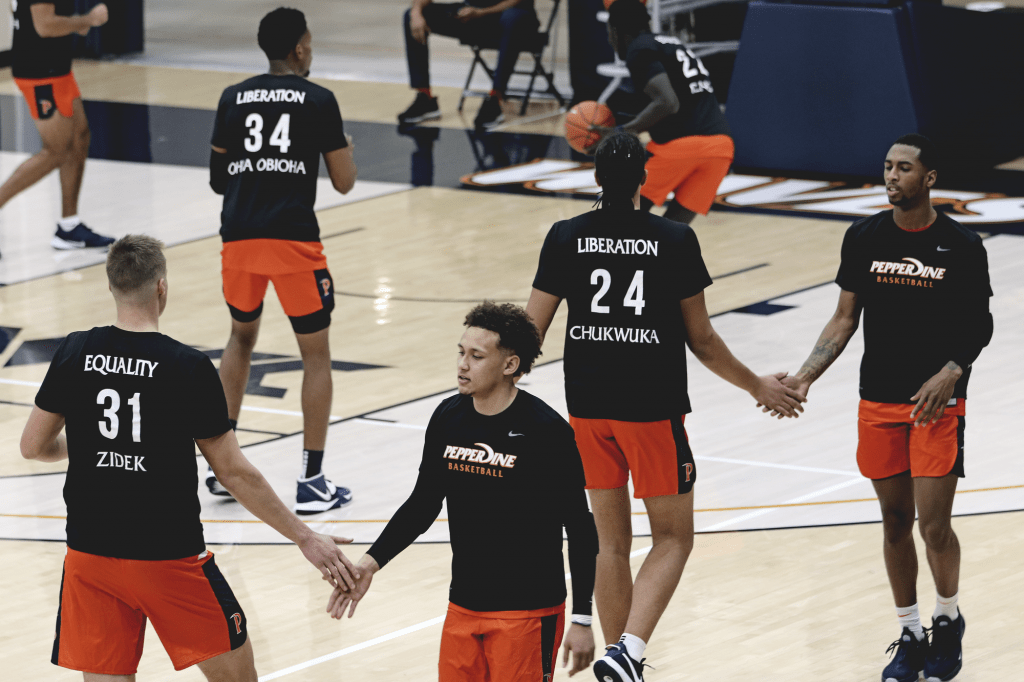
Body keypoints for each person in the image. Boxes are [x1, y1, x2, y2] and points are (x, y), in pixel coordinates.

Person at [524, 131, 804, 681]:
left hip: (586, 408)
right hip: (649, 409)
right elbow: (701, 340)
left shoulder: (564, 237)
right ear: (645, 178)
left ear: (596, 177)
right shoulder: (673, 240)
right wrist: (756, 386)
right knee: (674, 537)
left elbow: (530, 331)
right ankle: (627, 650)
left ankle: (617, 660)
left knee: (612, 542)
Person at [19, 234, 359, 681]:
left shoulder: (75, 350)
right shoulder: (187, 366)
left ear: (111, 286)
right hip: (168, 558)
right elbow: (234, 472)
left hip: (89, 557)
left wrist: (97, 449)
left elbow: (33, 447)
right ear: (161, 287)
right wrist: (305, 537)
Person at [775, 134, 992, 682]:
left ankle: (948, 619)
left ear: (930, 178)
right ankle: (911, 631)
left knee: (934, 526)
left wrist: (952, 369)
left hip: (936, 404)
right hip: (878, 399)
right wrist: (804, 376)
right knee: (895, 521)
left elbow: (979, 324)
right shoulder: (865, 236)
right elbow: (844, 318)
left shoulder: (962, 246)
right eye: (888, 168)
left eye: (904, 168)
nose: (892, 177)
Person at [327, 302, 599, 680]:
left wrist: (583, 618)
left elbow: (581, 528)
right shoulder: (448, 417)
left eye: (476, 356)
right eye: (461, 352)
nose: (463, 365)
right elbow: (422, 504)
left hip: (527, 612)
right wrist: (370, 564)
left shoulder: (546, 432)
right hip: (464, 607)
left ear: (509, 365)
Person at [208, 7, 358, 514]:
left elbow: (217, 178)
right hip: (293, 242)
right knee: (315, 354)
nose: (311, 50)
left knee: (239, 338)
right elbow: (343, 181)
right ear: (298, 48)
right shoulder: (319, 100)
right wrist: (345, 149)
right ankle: (312, 480)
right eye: (310, 43)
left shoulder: (233, 96)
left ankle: (221, 472)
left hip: (239, 238)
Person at [590, 0, 734, 225]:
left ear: (616, 31)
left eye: (609, 32)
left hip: (681, 145)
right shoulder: (672, 44)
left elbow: (668, 102)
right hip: (720, 148)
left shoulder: (638, 48)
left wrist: (621, 132)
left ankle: (606, 262)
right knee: (673, 233)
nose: (609, 39)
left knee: (617, 218)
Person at [0, 0, 117, 256]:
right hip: (39, 71)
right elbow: (44, 25)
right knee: (57, 150)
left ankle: (69, 227)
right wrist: (87, 20)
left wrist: (74, 23)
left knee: (79, 137)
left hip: (57, 67)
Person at [398, 0, 539, 129]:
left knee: (513, 17)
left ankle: (496, 98)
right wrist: (416, 13)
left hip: (514, 16)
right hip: (473, 15)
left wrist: (482, 13)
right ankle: (425, 97)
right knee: (410, 15)